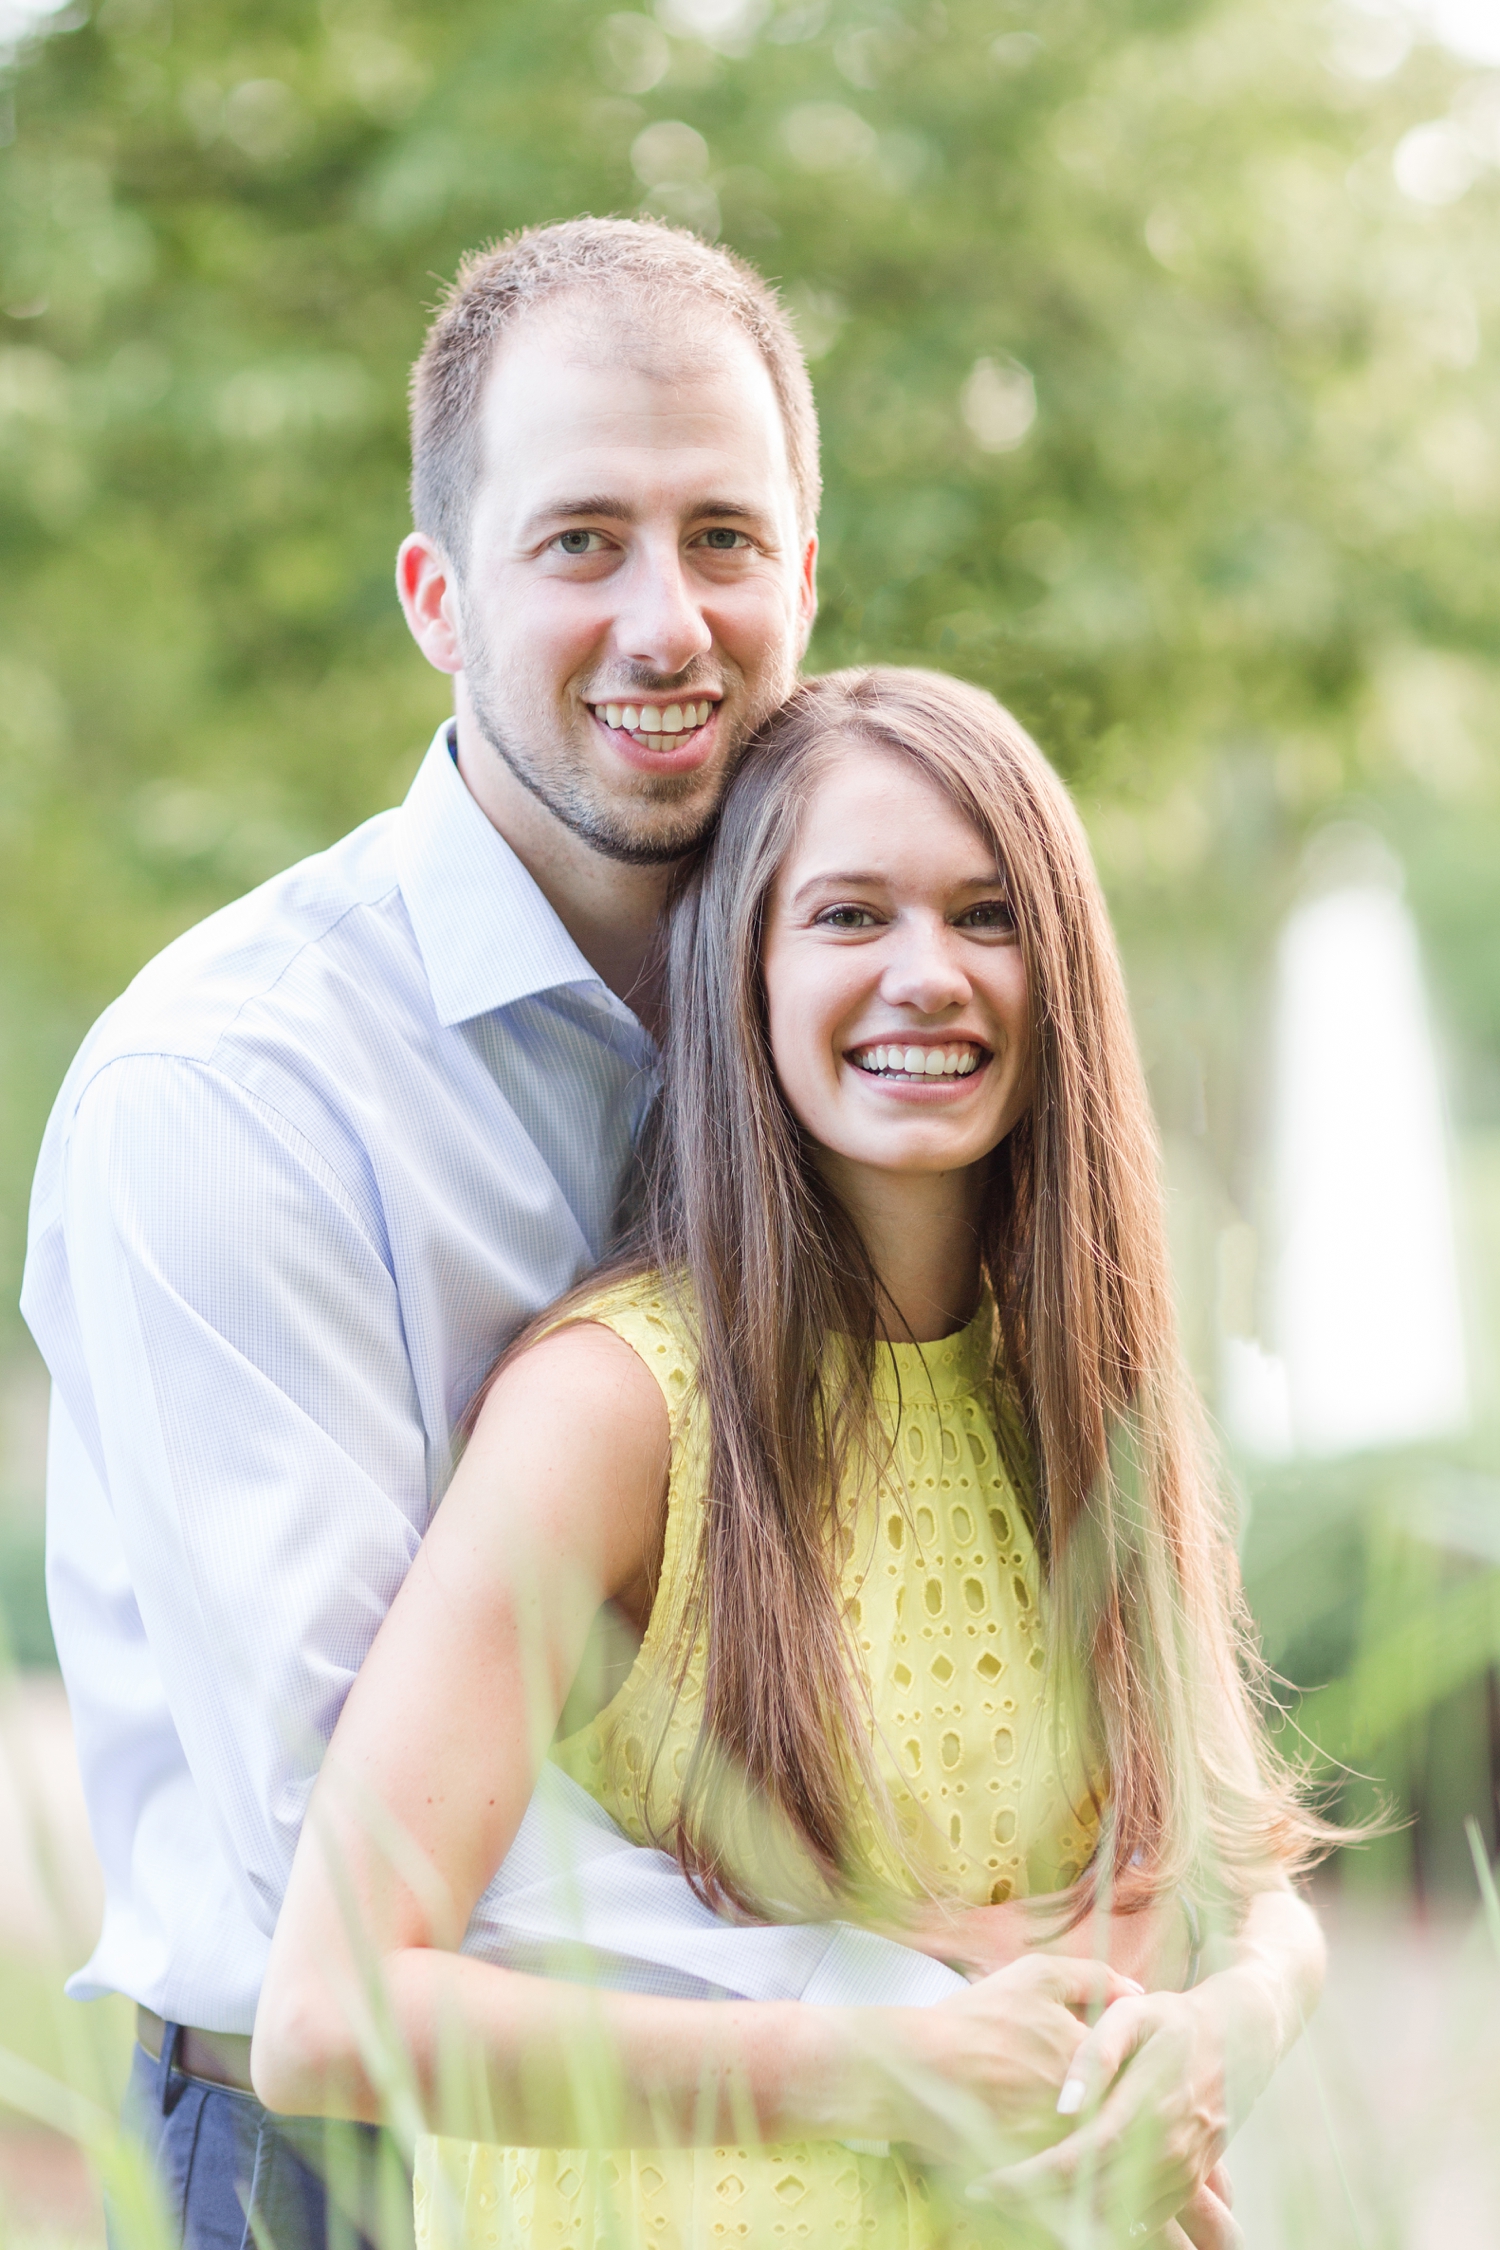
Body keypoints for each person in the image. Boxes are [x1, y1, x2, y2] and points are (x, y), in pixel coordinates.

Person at [251, 668, 1332, 2249]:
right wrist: (881, 2062)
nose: (927, 976)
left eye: (987, 913)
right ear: (740, 967)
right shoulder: (618, 1405)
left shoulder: (1085, 1391)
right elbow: (327, 2013)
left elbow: (1251, 1884)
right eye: (847, 917)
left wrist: (1225, 2033)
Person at [21, 214, 820, 2250]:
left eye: (726, 538)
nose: (668, 621)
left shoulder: (866, 1036)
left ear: (807, 577)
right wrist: (920, 2000)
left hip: (815, 2146)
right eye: (581, 543)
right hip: (346, 2168)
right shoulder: (226, 1098)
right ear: (435, 595)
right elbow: (361, 1871)